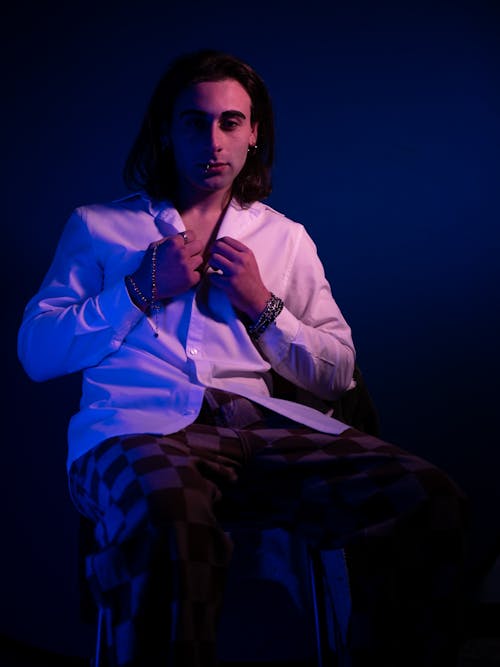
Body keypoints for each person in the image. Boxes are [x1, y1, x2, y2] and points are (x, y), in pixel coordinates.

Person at [18, 49, 468, 667]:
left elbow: (337, 373)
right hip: (134, 432)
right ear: (165, 130)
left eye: (231, 122)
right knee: (172, 521)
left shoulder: (285, 239)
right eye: (194, 122)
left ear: (254, 133)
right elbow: (37, 353)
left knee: (425, 496)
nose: (214, 140)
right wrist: (136, 292)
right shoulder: (99, 228)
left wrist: (264, 307)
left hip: (258, 436)